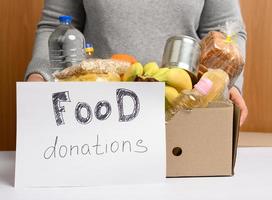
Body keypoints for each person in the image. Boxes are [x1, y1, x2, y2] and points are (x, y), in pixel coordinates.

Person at [25, 0, 248, 125]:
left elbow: (225, 29)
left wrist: (226, 85)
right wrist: (39, 76)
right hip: (96, 113)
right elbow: (56, 26)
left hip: (185, 113)